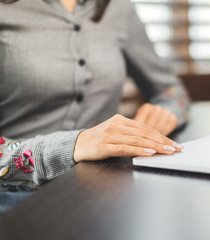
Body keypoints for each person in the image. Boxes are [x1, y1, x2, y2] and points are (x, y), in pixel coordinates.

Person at [0, 0, 190, 192]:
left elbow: (171, 90)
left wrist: (167, 109)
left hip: (105, 191)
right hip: (17, 202)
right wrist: (73, 145)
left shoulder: (118, 7)